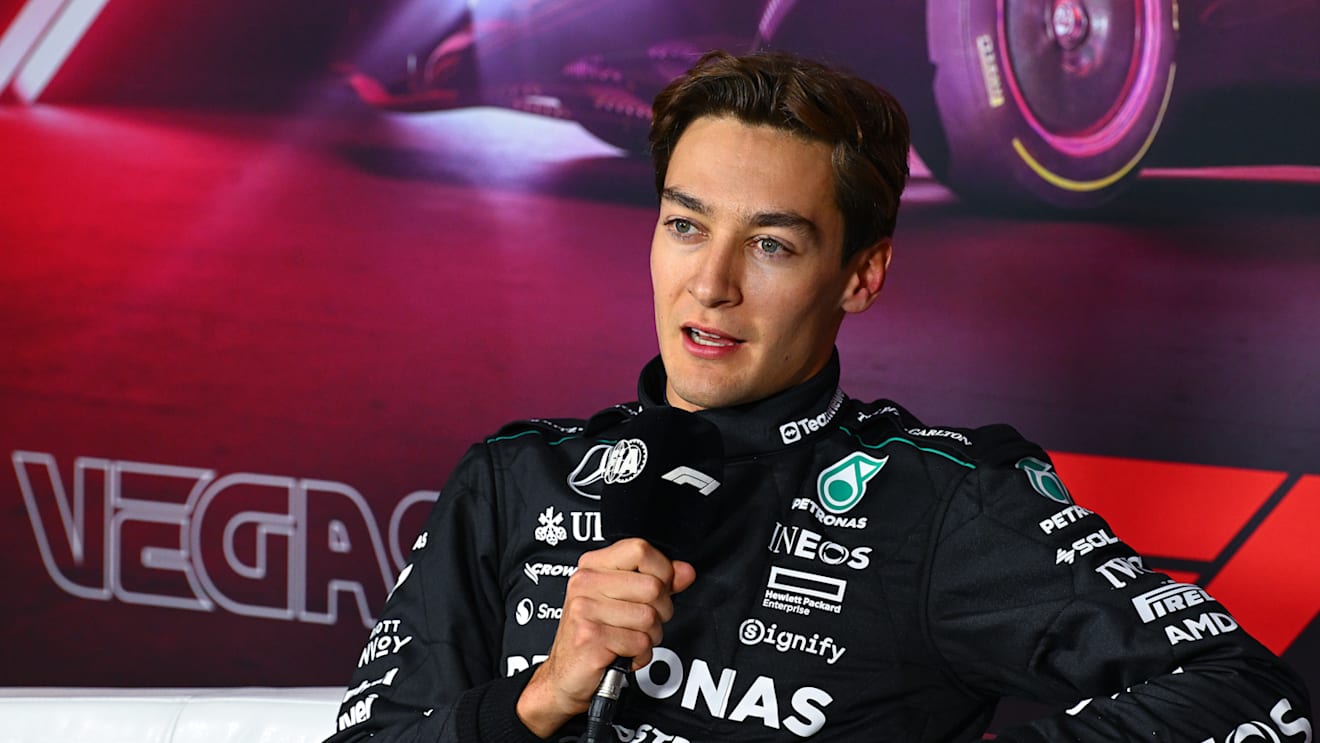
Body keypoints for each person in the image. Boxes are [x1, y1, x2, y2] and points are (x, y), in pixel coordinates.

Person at [324, 50, 1311, 742]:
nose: (711, 285)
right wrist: (538, 699)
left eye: (771, 245)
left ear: (862, 274)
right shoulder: (515, 475)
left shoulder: (940, 500)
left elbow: (1248, 695)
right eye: (685, 227)